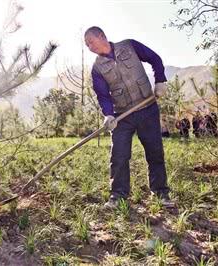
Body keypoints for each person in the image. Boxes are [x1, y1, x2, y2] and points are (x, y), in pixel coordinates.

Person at [84, 26, 173, 208]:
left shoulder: (129, 46)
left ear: (102, 36)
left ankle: (161, 194)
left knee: (155, 152)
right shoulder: (97, 68)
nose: (89, 47)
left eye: (90, 42)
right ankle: (118, 196)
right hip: (121, 116)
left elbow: (155, 59)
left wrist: (160, 80)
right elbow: (103, 95)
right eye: (86, 45)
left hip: (147, 107)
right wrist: (108, 115)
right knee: (119, 156)